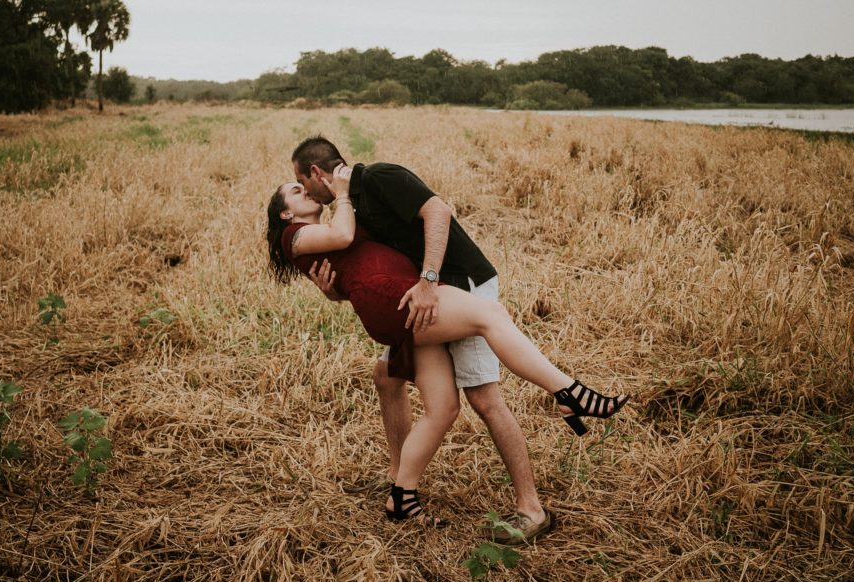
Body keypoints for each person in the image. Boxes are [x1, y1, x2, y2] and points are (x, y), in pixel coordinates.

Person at [266, 156, 629, 536]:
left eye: (300, 181)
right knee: (491, 320)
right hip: (402, 299)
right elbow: (346, 248)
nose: (303, 189)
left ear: (318, 171)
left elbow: (387, 242)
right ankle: (568, 393)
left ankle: (402, 496)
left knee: (442, 406)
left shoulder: (372, 185)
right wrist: (342, 205)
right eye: (294, 189)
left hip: (421, 293)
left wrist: (354, 286)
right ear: (286, 215)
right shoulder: (310, 228)